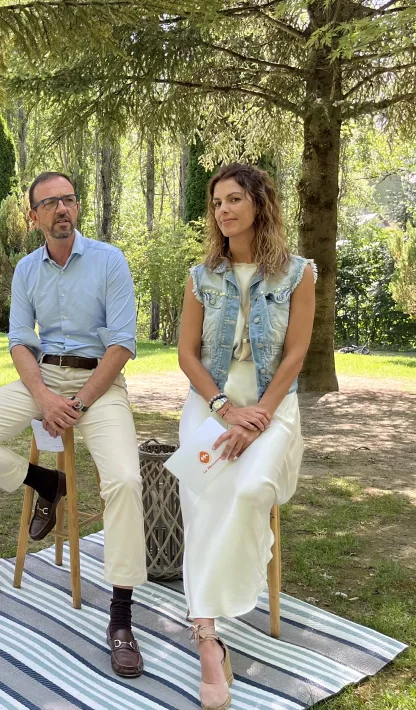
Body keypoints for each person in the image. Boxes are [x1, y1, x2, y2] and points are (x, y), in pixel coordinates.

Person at [0, 171, 148, 678]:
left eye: (68, 200)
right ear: (33, 216)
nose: (61, 210)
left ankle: (121, 618)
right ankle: (44, 483)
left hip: (100, 384)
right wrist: (43, 396)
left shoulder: (109, 260)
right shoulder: (28, 270)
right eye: (49, 203)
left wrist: (76, 404)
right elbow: (19, 340)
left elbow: (121, 344)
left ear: (77, 208)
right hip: (43, 380)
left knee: (125, 480)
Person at [177, 163, 315, 710]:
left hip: (272, 403)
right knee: (203, 492)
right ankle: (208, 639)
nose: (223, 210)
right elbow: (187, 355)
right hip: (210, 401)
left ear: (259, 203)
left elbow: (297, 352)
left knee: (252, 490)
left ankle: (227, 587)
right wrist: (222, 410)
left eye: (234, 199)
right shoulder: (200, 276)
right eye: (216, 203)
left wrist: (258, 413)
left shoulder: (298, 273)